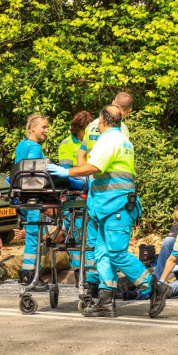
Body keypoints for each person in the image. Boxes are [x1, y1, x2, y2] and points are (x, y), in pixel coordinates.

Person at [49, 105, 171, 318]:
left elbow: (94, 166)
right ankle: (106, 300)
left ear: (102, 120)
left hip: (116, 205)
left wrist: (65, 171)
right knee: (102, 252)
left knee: (116, 253)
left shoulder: (110, 140)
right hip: (107, 207)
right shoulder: (122, 139)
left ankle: (154, 287)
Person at [75, 93, 132, 299]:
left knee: (93, 239)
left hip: (93, 188)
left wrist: (82, 176)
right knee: (111, 243)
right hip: (110, 193)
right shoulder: (120, 131)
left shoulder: (91, 126)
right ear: (128, 111)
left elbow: (81, 154)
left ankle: (92, 283)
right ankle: (108, 285)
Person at [13, 113, 50, 290]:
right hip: (33, 195)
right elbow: (34, 175)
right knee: (34, 237)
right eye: (44, 127)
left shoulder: (21, 145)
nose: (46, 130)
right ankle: (31, 275)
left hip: (22, 196)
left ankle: (27, 273)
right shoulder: (34, 148)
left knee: (31, 236)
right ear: (33, 127)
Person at [58, 111, 93, 273]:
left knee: (89, 231)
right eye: (84, 130)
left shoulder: (90, 142)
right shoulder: (67, 144)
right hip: (75, 191)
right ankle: (79, 269)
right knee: (76, 230)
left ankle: (90, 268)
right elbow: (66, 172)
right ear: (77, 128)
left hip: (90, 190)